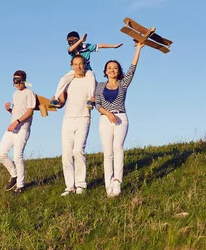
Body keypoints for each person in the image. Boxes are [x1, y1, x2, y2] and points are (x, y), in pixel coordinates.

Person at [94, 41, 145, 197]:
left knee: (118, 148)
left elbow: (132, 69)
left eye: (115, 68)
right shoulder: (99, 86)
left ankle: (117, 182)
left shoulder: (123, 84)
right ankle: (108, 185)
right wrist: (107, 114)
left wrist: (138, 49)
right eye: (109, 68)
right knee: (107, 152)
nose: (112, 70)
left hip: (121, 117)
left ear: (118, 71)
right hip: (105, 118)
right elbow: (97, 103)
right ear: (105, 71)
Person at [49, 31, 122, 108]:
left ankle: (90, 98)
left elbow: (100, 45)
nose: (71, 42)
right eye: (69, 41)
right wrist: (80, 41)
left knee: (92, 78)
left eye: (73, 40)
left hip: (86, 70)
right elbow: (70, 49)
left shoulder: (87, 46)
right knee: (63, 79)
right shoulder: (73, 49)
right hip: (74, 71)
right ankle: (56, 98)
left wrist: (113, 46)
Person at [57, 54, 97, 196]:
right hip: (68, 119)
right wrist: (55, 101)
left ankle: (81, 184)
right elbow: (61, 102)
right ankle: (70, 186)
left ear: (85, 64)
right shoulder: (68, 80)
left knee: (78, 150)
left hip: (83, 117)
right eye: (75, 64)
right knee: (67, 153)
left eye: (81, 63)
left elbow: (94, 96)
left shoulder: (90, 78)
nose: (78, 67)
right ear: (72, 66)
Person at [0, 70, 36, 194]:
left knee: (17, 156)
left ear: (23, 80)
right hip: (12, 128)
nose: (16, 83)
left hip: (22, 129)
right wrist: (9, 110)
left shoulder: (29, 93)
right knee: (1, 153)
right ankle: (14, 175)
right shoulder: (15, 94)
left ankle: (21, 185)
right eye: (14, 81)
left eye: (18, 80)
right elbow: (17, 111)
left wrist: (17, 122)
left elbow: (29, 112)